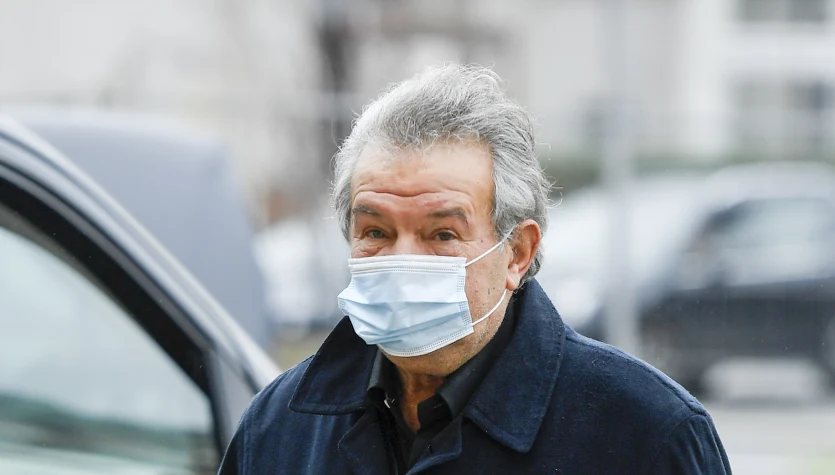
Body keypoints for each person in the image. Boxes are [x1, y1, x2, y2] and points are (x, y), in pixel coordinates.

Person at [218, 64, 731, 474]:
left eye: (442, 234)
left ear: (518, 253)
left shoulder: (644, 433)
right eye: (375, 232)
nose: (402, 260)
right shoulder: (281, 426)